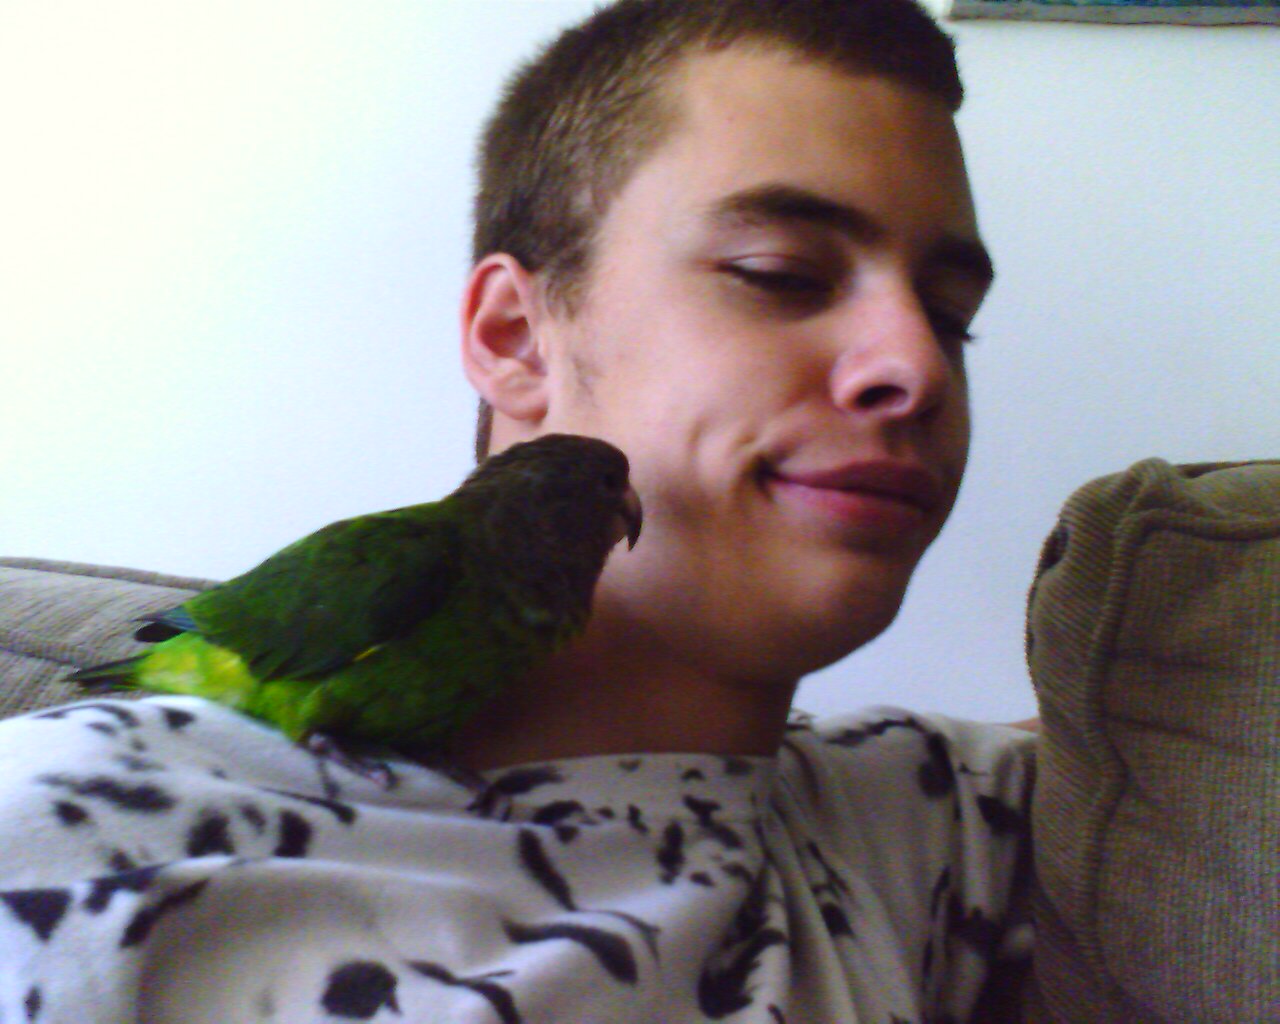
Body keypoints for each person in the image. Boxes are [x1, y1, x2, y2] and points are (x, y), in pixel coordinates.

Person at [0, 1, 1035, 1021]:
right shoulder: (73, 848)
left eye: (952, 319)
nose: (915, 364)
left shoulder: (935, 821)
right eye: (779, 273)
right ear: (515, 338)